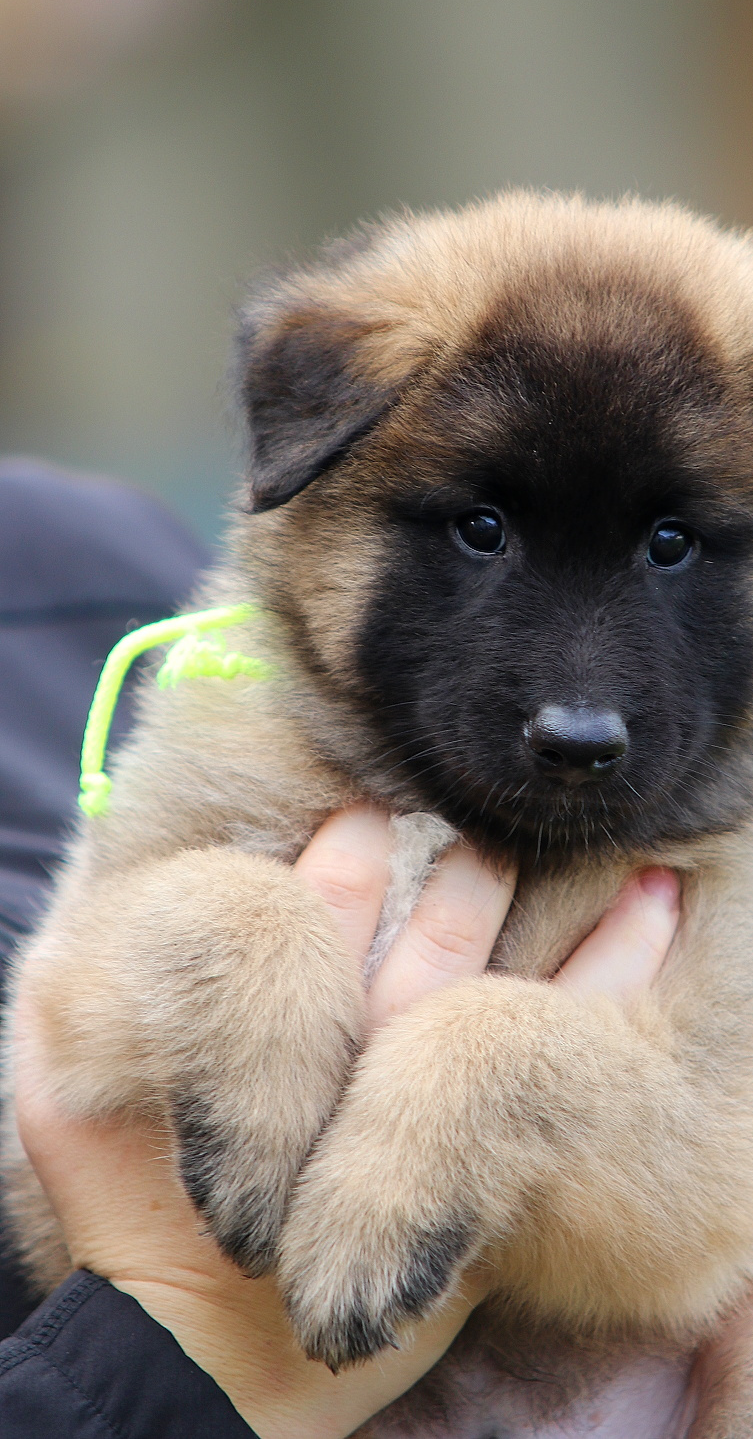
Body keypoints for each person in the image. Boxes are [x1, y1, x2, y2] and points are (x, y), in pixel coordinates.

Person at [0, 459, 680, 1437]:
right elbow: (84, 1004)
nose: (580, 693)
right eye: (481, 531)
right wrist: (188, 1337)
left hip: (642, 1379)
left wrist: (502, 1078)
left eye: (671, 547)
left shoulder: (85, 558)